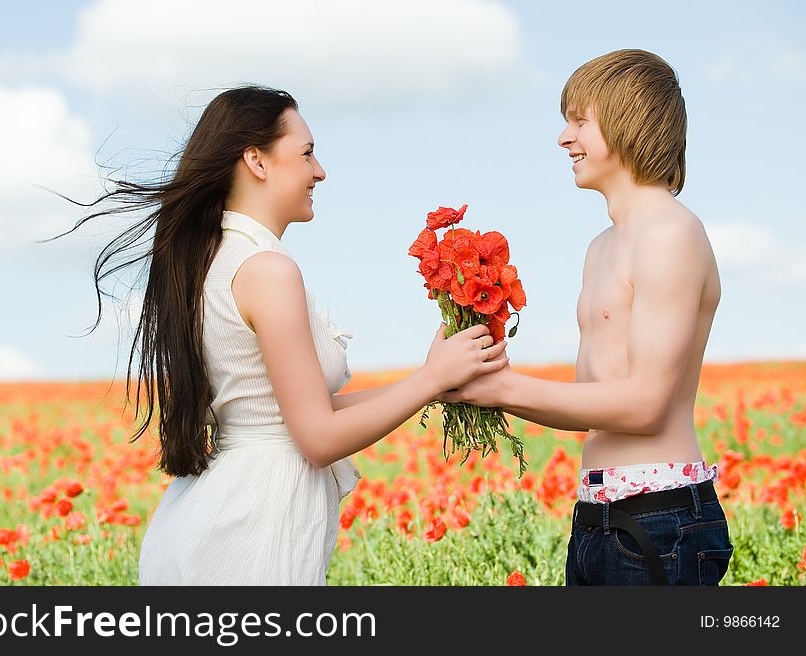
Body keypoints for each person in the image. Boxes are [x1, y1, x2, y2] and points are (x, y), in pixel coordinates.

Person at [55, 85, 508, 585]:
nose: (320, 171)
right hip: (256, 524)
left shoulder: (213, 259)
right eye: (307, 153)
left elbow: (296, 413)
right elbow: (316, 438)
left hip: (219, 508)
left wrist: (432, 382)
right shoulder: (266, 270)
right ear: (257, 160)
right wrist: (428, 383)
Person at [443, 50, 733, 585]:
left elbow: (644, 405)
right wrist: (478, 368)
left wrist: (503, 389)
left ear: (628, 124)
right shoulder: (601, 247)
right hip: (601, 515)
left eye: (579, 121)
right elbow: (595, 404)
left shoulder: (670, 234)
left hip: (662, 515)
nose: (563, 138)